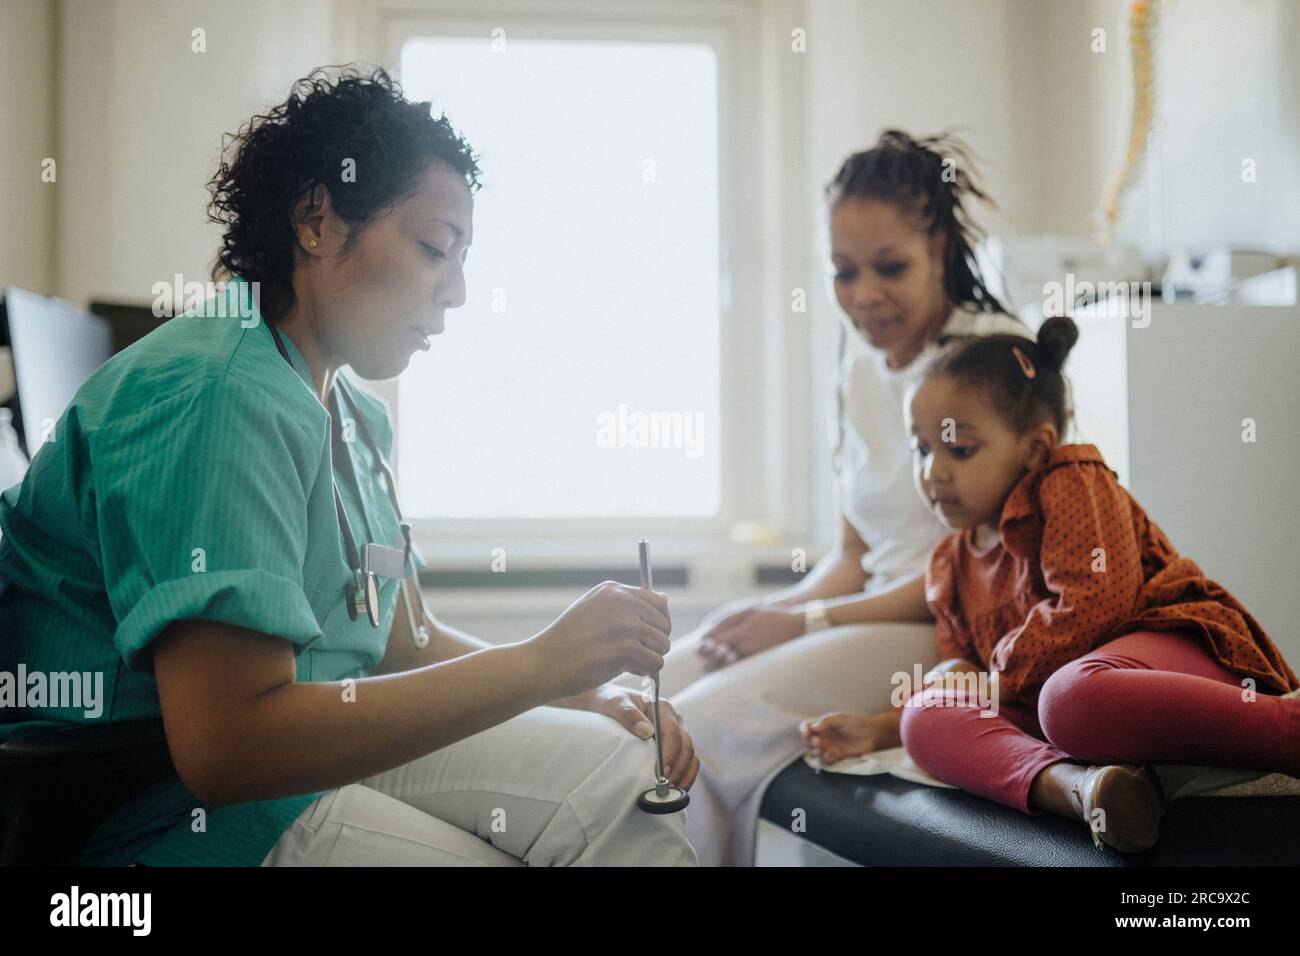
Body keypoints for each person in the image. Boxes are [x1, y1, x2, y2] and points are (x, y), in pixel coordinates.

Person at [0, 67, 698, 866]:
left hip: (317, 750)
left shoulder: (351, 413)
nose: (459, 293)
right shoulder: (218, 395)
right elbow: (227, 747)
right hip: (165, 810)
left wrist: (579, 687)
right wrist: (538, 662)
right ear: (316, 218)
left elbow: (400, 643)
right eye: (436, 247)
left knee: (622, 766)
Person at [618, 130, 1030, 865]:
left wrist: (805, 619)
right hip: (864, 609)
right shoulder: (861, 361)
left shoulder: (994, 360)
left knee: (700, 726)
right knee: (641, 699)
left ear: (941, 247)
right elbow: (854, 554)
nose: (864, 296)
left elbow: (983, 578)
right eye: (842, 272)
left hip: (952, 629)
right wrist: (775, 614)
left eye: (890, 267)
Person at [802, 316, 1300, 853]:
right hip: (1056, 712)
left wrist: (995, 675)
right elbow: (972, 672)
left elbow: (1097, 604)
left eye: (960, 450)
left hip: (1162, 644)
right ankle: (1088, 790)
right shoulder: (949, 566)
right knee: (927, 716)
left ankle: (1286, 727)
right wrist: (886, 725)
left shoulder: (1070, 481)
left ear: (1036, 447)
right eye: (922, 450)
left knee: (1070, 698)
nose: (933, 473)